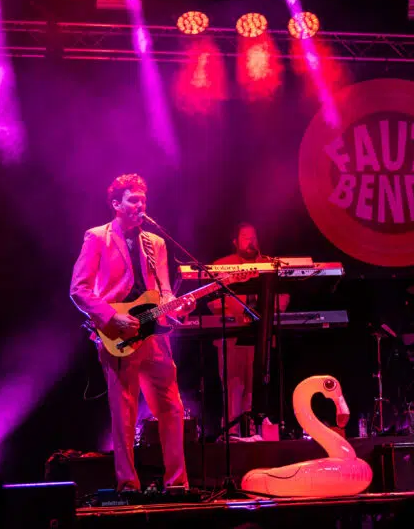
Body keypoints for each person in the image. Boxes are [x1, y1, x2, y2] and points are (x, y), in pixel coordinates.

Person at [70, 173, 193, 492]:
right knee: (124, 412)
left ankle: (177, 483)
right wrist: (112, 317)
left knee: (172, 408)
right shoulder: (97, 237)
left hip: (156, 336)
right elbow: (79, 290)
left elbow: (164, 292)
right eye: (133, 200)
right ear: (116, 204)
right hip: (118, 335)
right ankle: (128, 485)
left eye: (143, 200)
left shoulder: (156, 243)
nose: (141, 205)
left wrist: (178, 307)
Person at [206, 222, 289, 433]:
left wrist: (266, 314)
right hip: (232, 337)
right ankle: (232, 434)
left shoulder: (270, 264)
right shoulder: (222, 265)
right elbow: (213, 300)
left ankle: (254, 433)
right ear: (235, 242)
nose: (251, 241)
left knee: (257, 386)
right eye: (245, 237)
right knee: (233, 387)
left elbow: (283, 296)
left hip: (261, 336)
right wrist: (237, 315)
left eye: (253, 237)